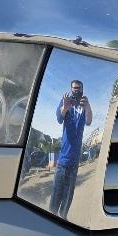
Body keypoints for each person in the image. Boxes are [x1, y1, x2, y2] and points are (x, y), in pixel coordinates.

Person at [49, 79, 92, 219]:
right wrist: (65, 107)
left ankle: (63, 220)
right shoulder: (65, 102)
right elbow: (59, 119)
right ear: (70, 89)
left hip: (74, 162)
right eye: (73, 88)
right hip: (62, 161)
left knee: (67, 199)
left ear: (82, 90)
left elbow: (89, 121)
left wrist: (88, 107)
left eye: (78, 88)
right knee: (55, 199)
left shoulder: (84, 105)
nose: (75, 91)